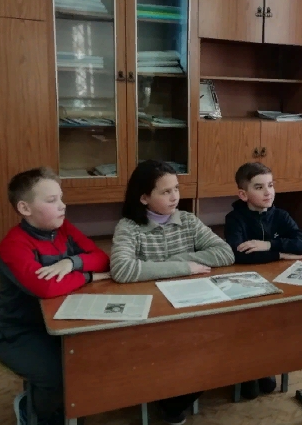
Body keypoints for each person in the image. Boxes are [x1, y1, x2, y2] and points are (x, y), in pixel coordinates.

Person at [109, 159, 235, 424]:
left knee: (218, 343)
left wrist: (177, 260)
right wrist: (183, 267)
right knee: (175, 352)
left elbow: (225, 253)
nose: (175, 196)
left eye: (176, 188)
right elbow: (122, 269)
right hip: (153, 315)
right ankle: (170, 399)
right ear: (144, 197)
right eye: (165, 191)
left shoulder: (187, 220)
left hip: (191, 306)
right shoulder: (129, 227)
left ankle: (177, 398)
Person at [0, 167, 111, 425]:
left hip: (64, 324)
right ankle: (33, 412)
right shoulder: (14, 244)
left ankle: (64, 410)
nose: (62, 206)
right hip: (20, 333)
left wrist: (71, 263)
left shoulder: (64, 229)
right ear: (24, 208)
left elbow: (102, 259)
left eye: (61, 198)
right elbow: (44, 288)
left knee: (97, 358)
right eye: (51, 200)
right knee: (57, 375)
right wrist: (88, 277)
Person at [223, 162, 302, 399]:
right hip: (245, 286)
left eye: (271, 185)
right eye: (259, 187)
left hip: (278, 283)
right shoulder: (235, 219)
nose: (268, 192)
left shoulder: (280, 215)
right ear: (243, 194)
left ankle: (266, 365)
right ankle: (246, 371)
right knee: (249, 328)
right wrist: (282, 254)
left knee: (274, 324)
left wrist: (268, 245)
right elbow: (237, 255)